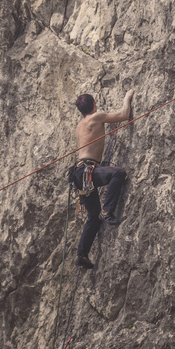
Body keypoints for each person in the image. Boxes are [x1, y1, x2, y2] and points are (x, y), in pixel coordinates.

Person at [70, 89, 133, 269]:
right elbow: (124, 114)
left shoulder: (80, 125)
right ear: (94, 105)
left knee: (93, 217)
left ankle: (82, 255)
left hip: (80, 173)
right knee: (118, 173)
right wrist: (127, 97)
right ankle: (108, 210)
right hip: (88, 170)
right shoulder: (97, 117)